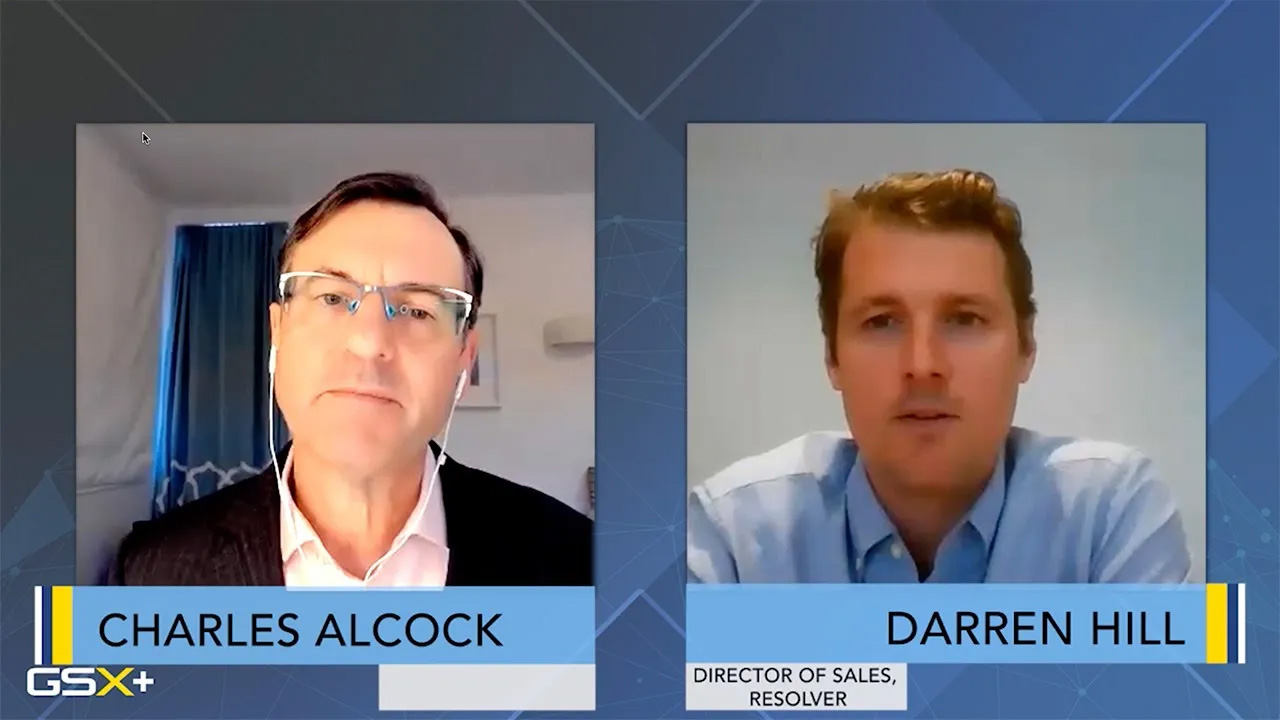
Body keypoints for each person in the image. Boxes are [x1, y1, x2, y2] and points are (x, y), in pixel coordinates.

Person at [687, 169, 1191, 585]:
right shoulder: (733, 533)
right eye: (881, 322)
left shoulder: (1111, 511)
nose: (923, 364)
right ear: (832, 357)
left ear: (1026, 347)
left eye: (965, 320)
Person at [113, 171, 593, 587]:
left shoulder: (578, 561)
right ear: (278, 333)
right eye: (332, 299)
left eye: (417, 310)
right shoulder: (150, 572)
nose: (368, 342)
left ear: (463, 359)